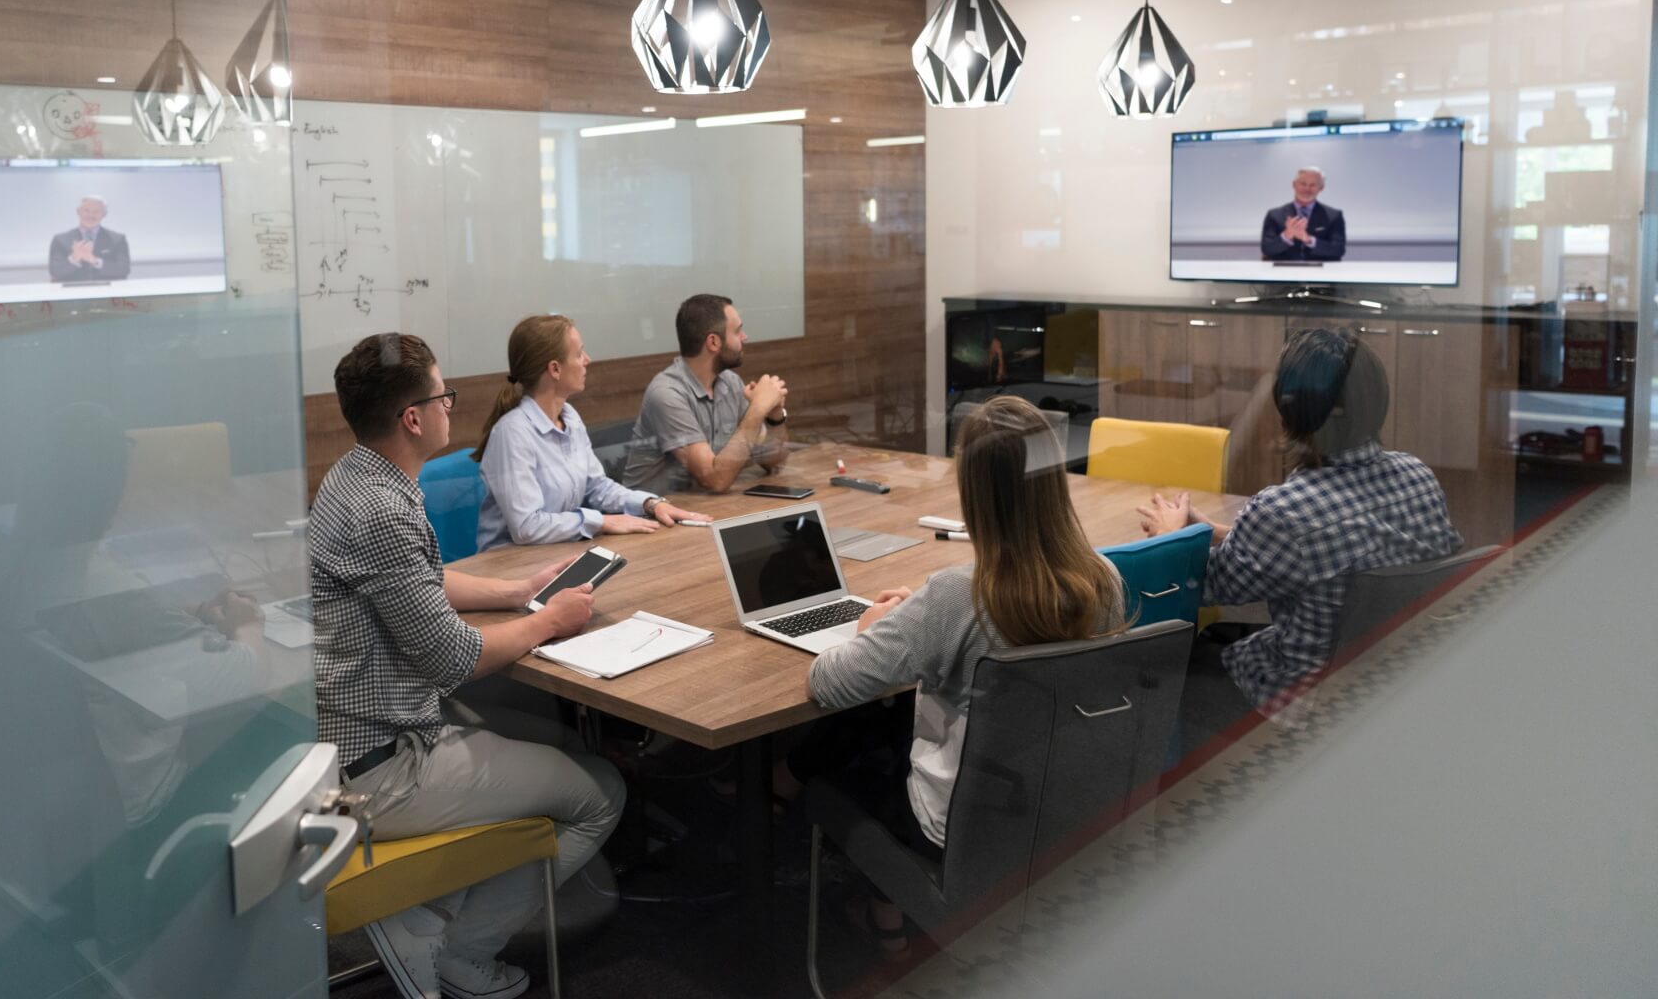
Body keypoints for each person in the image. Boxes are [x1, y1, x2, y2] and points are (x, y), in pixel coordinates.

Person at [311, 332, 625, 999]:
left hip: (357, 740)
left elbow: (416, 579)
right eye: (443, 395)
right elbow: (455, 659)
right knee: (599, 795)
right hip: (382, 767)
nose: (451, 406)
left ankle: (442, 906)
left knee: (563, 745)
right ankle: (462, 952)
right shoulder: (382, 509)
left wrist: (516, 593)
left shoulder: (355, 475)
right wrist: (549, 621)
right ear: (413, 418)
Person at [804, 396, 1128, 953]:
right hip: (1062, 809)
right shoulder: (1104, 579)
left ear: (972, 492)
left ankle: (882, 916)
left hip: (958, 827)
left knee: (843, 761)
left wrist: (871, 627)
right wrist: (920, 618)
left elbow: (828, 682)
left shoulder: (958, 595)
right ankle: (889, 913)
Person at [1137, 327, 1463, 719]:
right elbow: (1341, 540)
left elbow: (1200, 589)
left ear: (1288, 407)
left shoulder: (1283, 512)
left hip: (1310, 695)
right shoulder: (1417, 474)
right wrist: (1215, 533)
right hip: (1396, 676)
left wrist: (1169, 538)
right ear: (1378, 399)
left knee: (1178, 656)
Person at [472, 314, 710, 549]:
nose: (588, 360)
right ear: (555, 369)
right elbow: (527, 527)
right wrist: (601, 521)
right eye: (579, 354)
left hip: (558, 550)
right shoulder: (512, 433)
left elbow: (597, 487)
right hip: (510, 562)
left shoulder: (569, 417)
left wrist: (649, 504)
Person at [620, 293, 790, 494]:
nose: (745, 337)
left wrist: (774, 417)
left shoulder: (730, 382)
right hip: (653, 511)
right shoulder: (666, 394)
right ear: (713, 342)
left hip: (704, 506)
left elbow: (773, 463)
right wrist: (758, 408)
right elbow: (715, 479)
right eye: (738, 331)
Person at [1259, 167, 1346, 262]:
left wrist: (1309, 240)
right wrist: (1286, 235)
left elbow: (1338, 250)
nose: (1307, 189)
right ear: (1294, 185)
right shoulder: (1275, 215)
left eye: (1313, 185)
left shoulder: (1334, 216)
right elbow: (1267, 249)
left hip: (1321, 269)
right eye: (1303, 184)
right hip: (1284, 269)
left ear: (1321, 188)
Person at [48, 195, 132, 282]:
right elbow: (55, 272)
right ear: (78, 212)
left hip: (107, 289)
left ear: (104, 214)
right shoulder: (60, 240)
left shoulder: (117, 239)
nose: (90, 215)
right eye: (86, 210)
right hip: (71, 289)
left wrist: (95, 260)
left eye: (96, 212)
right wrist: (74, 258)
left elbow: (123, 270)